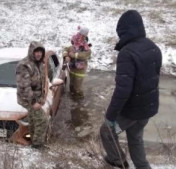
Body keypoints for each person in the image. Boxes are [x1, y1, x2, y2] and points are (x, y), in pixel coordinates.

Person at [100, 10, 162, 169]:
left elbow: (123, 90)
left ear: (125, 31)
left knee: (106, 131)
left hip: (132, 110)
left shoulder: (126, 53)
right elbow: (153, 79)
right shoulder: (154, 47)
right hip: (148, 108)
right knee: (135, 138)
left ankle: (118, 161)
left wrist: (110, 116)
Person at [16, 41, 48, 149]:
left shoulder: (40, 63)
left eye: (40, 52)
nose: (38, 54)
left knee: (34, 120)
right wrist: (34, 102)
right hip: (28, 98)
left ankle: (33, 141)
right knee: (42, 120)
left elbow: (43, 81)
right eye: (36, 52)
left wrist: (42, 97)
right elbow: (25, 87)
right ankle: (37, 145)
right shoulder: (24, 65)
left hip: (37, 97)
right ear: (31, 52)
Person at [63, 26, 92, 99]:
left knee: (77, 88)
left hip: (80, 71)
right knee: (71, 86)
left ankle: (79, 102)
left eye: (83, 36)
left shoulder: (86, 48)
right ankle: (72, 98)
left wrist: (74, 55)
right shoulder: (73, 45)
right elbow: (65, 49)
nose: (80, 37)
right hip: (72, 69)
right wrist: (66, 55)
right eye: (80, 35)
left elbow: (86, 55)